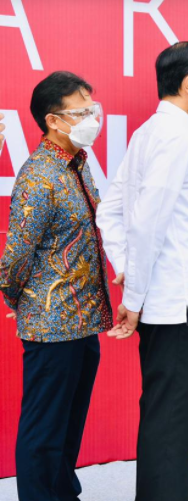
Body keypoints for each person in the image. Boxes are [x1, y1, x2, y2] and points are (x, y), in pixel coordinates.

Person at [95, 42, 188, 501]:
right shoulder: (174, 136)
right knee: (171, 428)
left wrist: (128, 270)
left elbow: (110, 212)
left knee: (161, 418)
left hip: (164, 303)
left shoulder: (147, 132)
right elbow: (147, 220)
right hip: (177, 306)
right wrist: (131, 298)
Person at [0, 71, 111, 501]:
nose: (91, 118)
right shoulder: (38, 176)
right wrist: (27, 303)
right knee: (44, 430)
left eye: (92, 108)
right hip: (52, 326)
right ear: (53, 120)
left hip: (85, 321)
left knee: (68, 426)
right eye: (81, 111)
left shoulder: (78, 165)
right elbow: (13, 261)